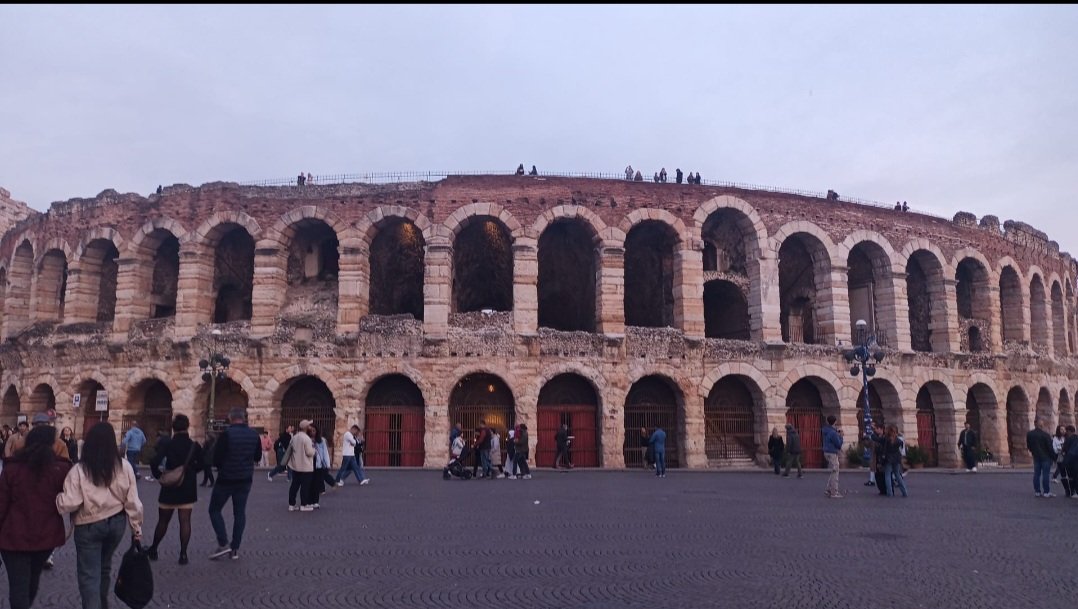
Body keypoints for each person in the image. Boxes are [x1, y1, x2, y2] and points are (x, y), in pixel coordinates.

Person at [56, 422, 143, 609]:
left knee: (89, 574)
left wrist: (58, 499)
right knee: (104, 568)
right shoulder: (125, 466)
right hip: (116, 523)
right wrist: (136, 527)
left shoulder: (80, 470)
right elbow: (133, 500)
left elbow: (70, 503)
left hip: (88, 525)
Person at [0, 425, 72, 609]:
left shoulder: (12, 469)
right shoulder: (61, 470)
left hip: (13, 537)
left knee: (19, 587)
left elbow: (1, 504)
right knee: (31, 582)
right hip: (45, 537)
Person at [147, 414, 203, 565]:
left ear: (174, 428)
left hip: (170, 487)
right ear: (187, 426)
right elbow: (203, 463)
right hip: (188, 486)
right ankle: (183, 554)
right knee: (185, 521)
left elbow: (154, 461)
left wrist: (159, 475)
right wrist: (191, 472)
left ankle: (154, 549)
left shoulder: (168, 444)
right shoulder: (194, 445)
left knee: (163, 521)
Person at [207, 408, 261, 560]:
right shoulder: (254, 435)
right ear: (243, 418)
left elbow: (216, 458)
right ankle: (235, 548)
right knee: (240, 513)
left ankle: (223, 542)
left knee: (214, 509)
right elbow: (257, 456)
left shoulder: (226, 434)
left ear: (230, 419)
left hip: (226, 478)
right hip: (245, 479)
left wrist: (221, 467)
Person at [286, 419, 316, 512]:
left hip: (296, 465)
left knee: (294, 485)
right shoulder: (306, 438)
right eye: (309, 426)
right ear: (306, 427)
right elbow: (309, 452)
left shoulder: (294, 437)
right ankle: (304, 504)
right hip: (306, 466)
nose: (310, 427)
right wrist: (314, 450)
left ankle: (291, 504)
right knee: (305, 486)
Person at [1027, 418, 1055, 498]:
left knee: (1036, 474)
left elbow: (1029, 446)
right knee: (1045, 475)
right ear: (1041, 425)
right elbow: (1050, 448)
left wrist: (1033, 452)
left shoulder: (1030, 434)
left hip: (1036, 456)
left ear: (1035, 424)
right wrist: (1054, 457)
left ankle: (1037, 491)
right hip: (1046, 457)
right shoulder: (1045, 435)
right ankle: (1046, 492)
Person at [880, 425, 909, 498]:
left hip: (888, 458)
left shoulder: (886, 439)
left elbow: (884, 450)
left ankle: (890, 493)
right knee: (898, 475)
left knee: (887, 475)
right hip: (896, 459)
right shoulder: (899, 440)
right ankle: (904, 492)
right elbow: (901, 449)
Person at [309, 423, 332, 508]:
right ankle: (310, 501)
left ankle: (316, 501)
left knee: (317, 483)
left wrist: (327, 464)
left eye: (314, 431)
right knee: (310, 483)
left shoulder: (321, 440)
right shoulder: (307, 440)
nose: (312, 432)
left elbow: (325, 452)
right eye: (311, 431)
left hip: (318, 464)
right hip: (309, 464)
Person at [822, 415, 844, 498]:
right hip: (832, 453)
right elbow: (838, 444)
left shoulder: (826, 430)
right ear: (835, 422)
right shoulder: (833, 432)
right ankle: (834, 492)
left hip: (826, 452)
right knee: (835, 472)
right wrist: (841, 437)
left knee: (833, 471)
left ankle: (828, 489)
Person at [1060, 425, 1077, 498]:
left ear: (1069, 431)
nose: (1066, 432)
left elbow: (1064, 449)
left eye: (1067, 431)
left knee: (1070, 477)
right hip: (1076, 460)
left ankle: (1071, 491)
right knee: (1075, 476)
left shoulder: (1068, 439)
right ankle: (1074, 492)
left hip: (1069, 460)